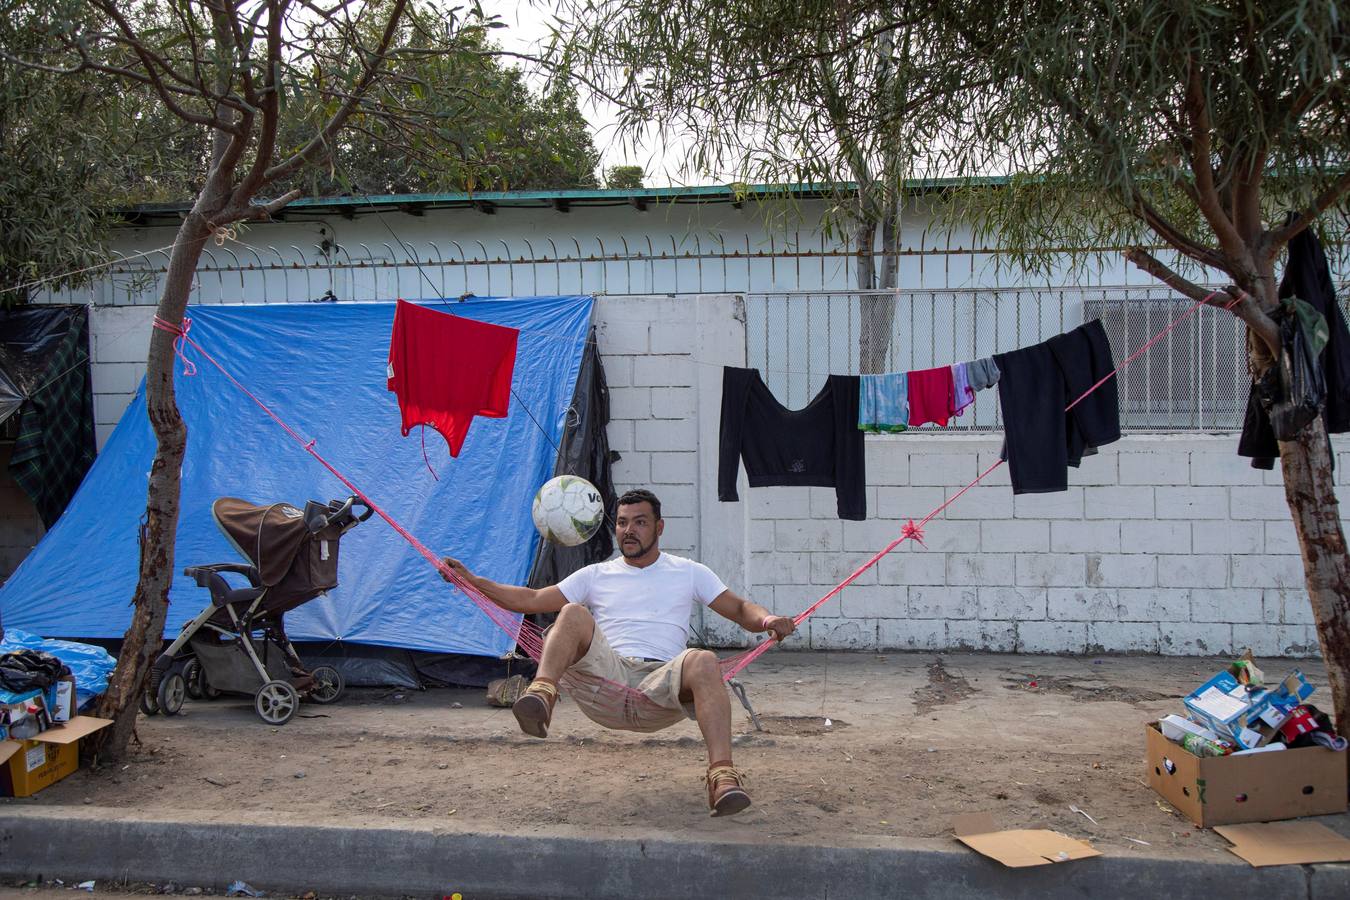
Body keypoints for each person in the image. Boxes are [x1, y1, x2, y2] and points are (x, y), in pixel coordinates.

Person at [442, 487, 795, 817]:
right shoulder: (596, 575)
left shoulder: (688, 572)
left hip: (661, 684)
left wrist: (768, 620)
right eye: (623, 523)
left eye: (640, 523)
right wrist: (473, 582)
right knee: (572, 613)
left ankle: (722, 779)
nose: (629, 530)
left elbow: (739, 608)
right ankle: (542, 695)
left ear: (659, 527)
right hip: (605, 681)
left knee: (703, 659)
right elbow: (532, 600)